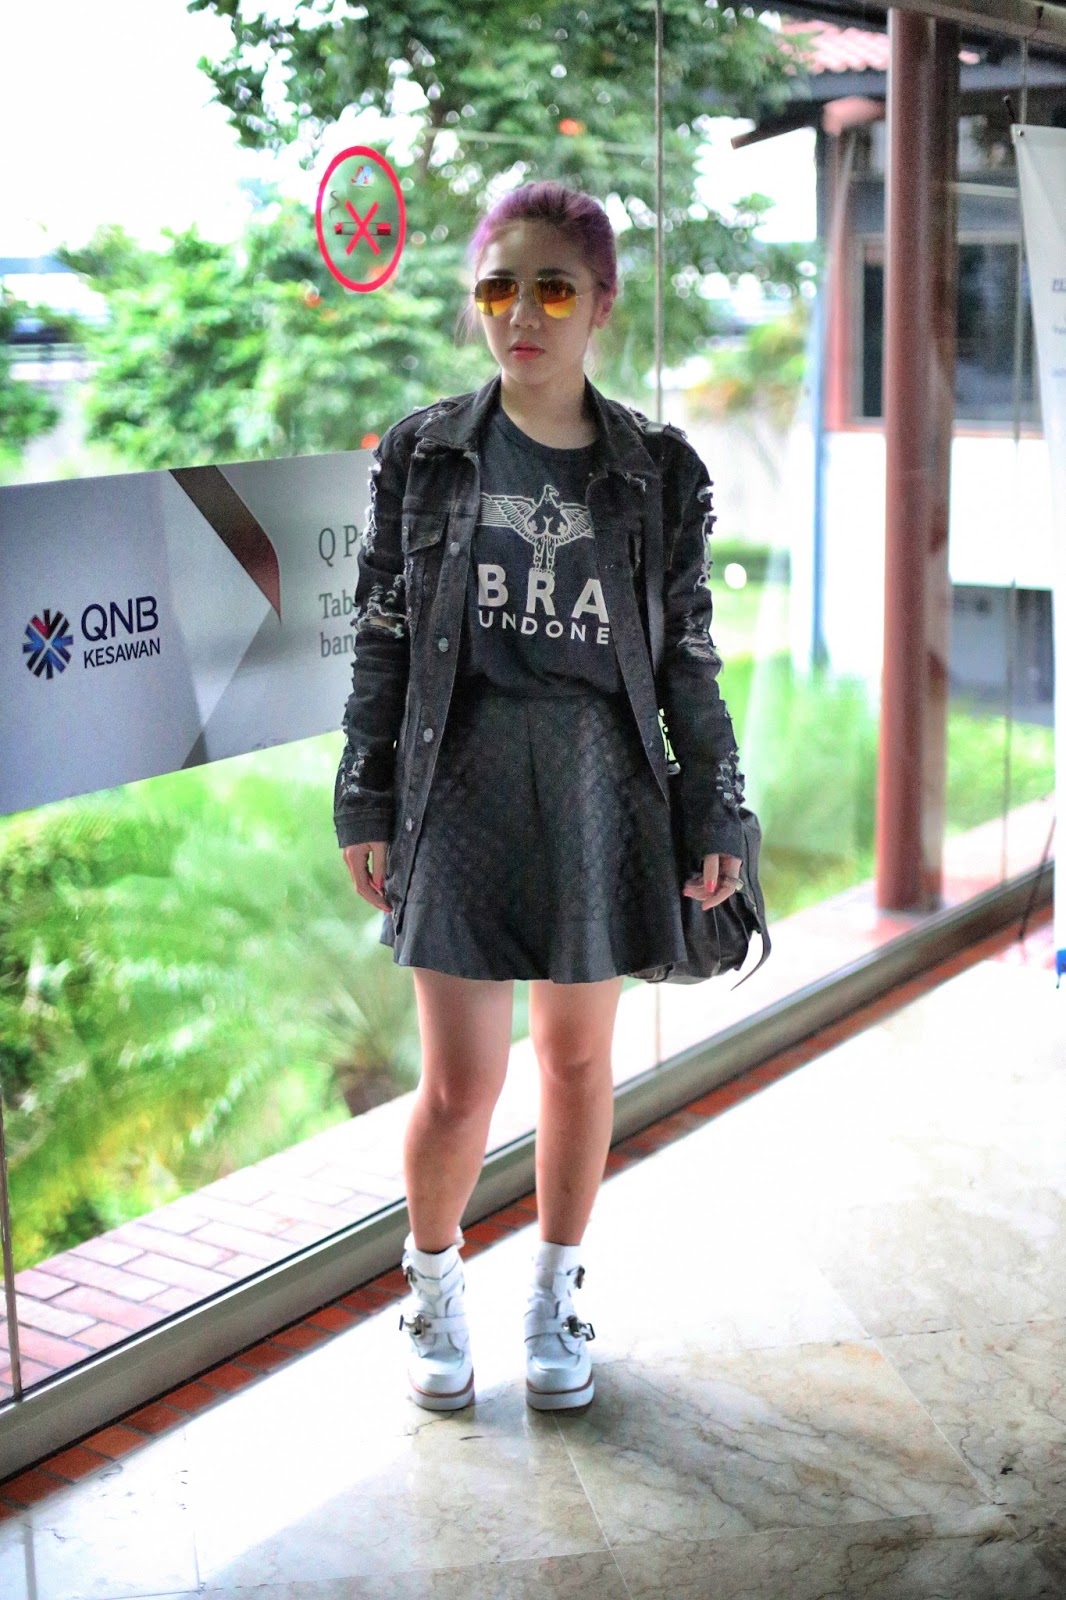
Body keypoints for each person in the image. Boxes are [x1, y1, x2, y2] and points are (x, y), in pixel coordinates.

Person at [334, 181, 746, 1415]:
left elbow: (688, 656)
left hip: (597, 782)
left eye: (553, 290)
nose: (521, 314)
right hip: (457, 779)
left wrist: (715, 808)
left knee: (574, 1063)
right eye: (499, 287)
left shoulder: (657, 469)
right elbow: (383, 634)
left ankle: (555, 1295)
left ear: (601, 305)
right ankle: (432, 1285)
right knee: (460, 1082)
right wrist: (365, 793)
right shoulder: (423, 451)